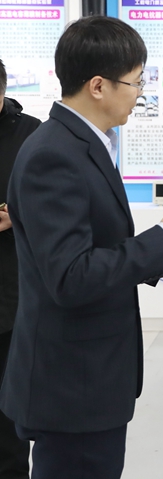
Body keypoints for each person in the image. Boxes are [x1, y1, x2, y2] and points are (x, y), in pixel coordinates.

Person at [0, 16, 163, 479]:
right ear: (99, 86)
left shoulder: (84, 142)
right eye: (137, 81)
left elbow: (94, 244)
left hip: (91, 377)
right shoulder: (54, 153)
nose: (140, 93)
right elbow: (70, 277)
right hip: (72, 382)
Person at [0, 58, 40, 478]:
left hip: (10, 295)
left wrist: (16, 214)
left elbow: (48, 206)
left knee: (8, 418)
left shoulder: (31, 134)